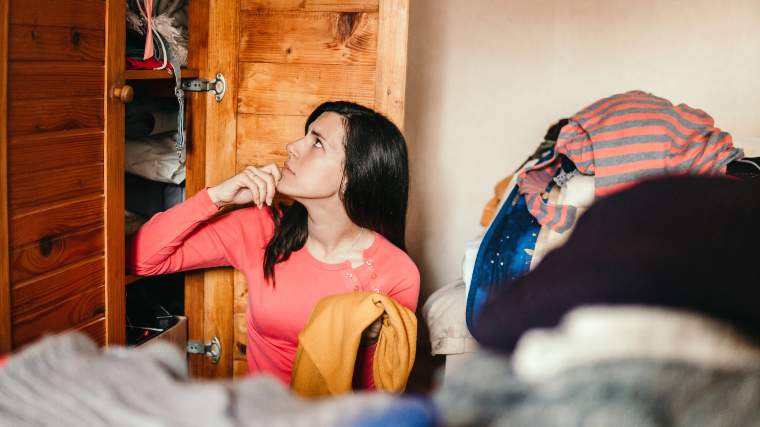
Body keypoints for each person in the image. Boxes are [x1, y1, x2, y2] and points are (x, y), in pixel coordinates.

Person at [128, 101, 420, 389]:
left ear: (354, 175)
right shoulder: (262, 228)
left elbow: (379, 394)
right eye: (306, 135)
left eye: (317, 143)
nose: (292, 146)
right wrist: (217, 197)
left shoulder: (396, 273)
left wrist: (367, 343)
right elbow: (142, 258)